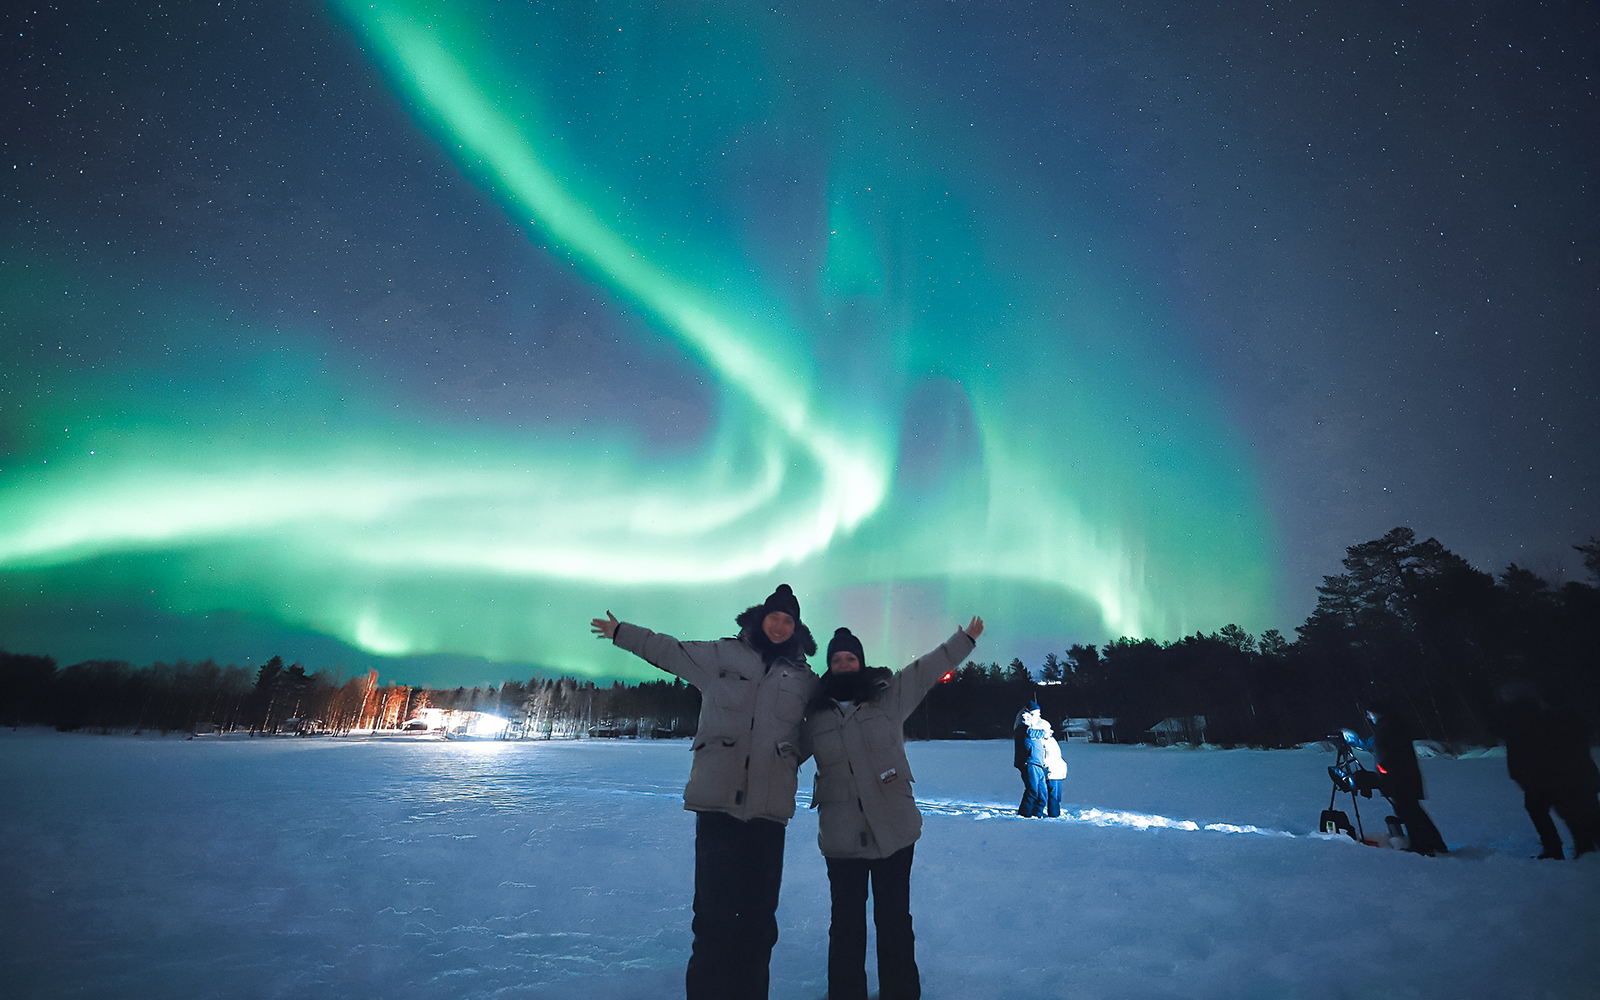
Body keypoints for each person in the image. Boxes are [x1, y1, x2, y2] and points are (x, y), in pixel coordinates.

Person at [591, 584, 818, 1000]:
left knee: (759, 927)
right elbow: (671, 650)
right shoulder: (721, 655)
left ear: (796, 627)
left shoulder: (804, 680)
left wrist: (783, 760)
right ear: (760, 617)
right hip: (717, 809)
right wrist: (623, 632)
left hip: (767, 816)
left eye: (789, 620)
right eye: (775, 616)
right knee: (712, 922)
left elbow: (818, 731)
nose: (781, 626)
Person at [803, 617, 984, 1000]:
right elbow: (780, 749)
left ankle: (900, 992)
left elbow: (927, 669)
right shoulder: (814, 713)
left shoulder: (889, 696)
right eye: (838, 660)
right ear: (829, 666)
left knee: (894, 922)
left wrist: (964, 640)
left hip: (894, 829)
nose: (845, 665)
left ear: (861, 662)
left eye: (851, 659)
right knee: (846, 925)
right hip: (841, 835)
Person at [1499, 683, 1600, 859]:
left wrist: (1520, 774)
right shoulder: (1557, 715)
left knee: (1572, 810)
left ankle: (1571, 848)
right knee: (1579, 810)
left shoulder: (1524, 718)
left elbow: (1520, 750)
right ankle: (1581, 847)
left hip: (1551, 776)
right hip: (1568, 774)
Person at [1348, 700, 1448, 856]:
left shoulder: (1388, 727)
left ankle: (1422, 846)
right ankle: (1434, 843)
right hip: (1402, 777)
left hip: (1399, 778)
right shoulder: (1390, 725)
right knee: (1413, 810)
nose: (1369, 717)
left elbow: (1390, 752)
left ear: (1377, 712)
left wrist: (1384, 769)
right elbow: (1377, 746)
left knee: (1408, 811)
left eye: (1369, 713)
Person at [1013, 701, 1050, 817]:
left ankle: (1037, 813)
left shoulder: (1031, 726)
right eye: (1037, 714)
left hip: (1037, 763)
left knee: (1042, 792)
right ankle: (1024, 814)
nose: (1039, 717)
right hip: (1029, 761)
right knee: (1033, 790)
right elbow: (1029, 732)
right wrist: (1044, 732)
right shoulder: (1023, 725)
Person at [1040, 725, 1068, 818]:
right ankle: (1054, 814)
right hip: (1052, 771)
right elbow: (1044, 756)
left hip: (1057, 769)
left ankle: (1056, 812)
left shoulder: (1050, 740)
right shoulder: (1042, 741)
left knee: (1057, 796)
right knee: (1054, 795)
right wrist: (1048, 766)